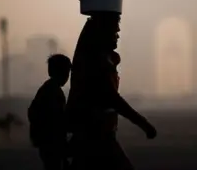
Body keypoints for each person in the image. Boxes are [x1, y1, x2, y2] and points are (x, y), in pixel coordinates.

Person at [66, 13, 157, 170]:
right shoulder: (99, 64)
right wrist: (144, 124)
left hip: (94, 135)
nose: (118, 35)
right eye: (115, 32)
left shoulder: (97, 60)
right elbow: (114, 100)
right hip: (97, 137)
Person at [28, 54, 72, 170]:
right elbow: (57, 120)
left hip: (46, 142)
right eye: (66, 72)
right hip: (52, 142)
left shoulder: (47, 89)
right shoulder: (54, 92)